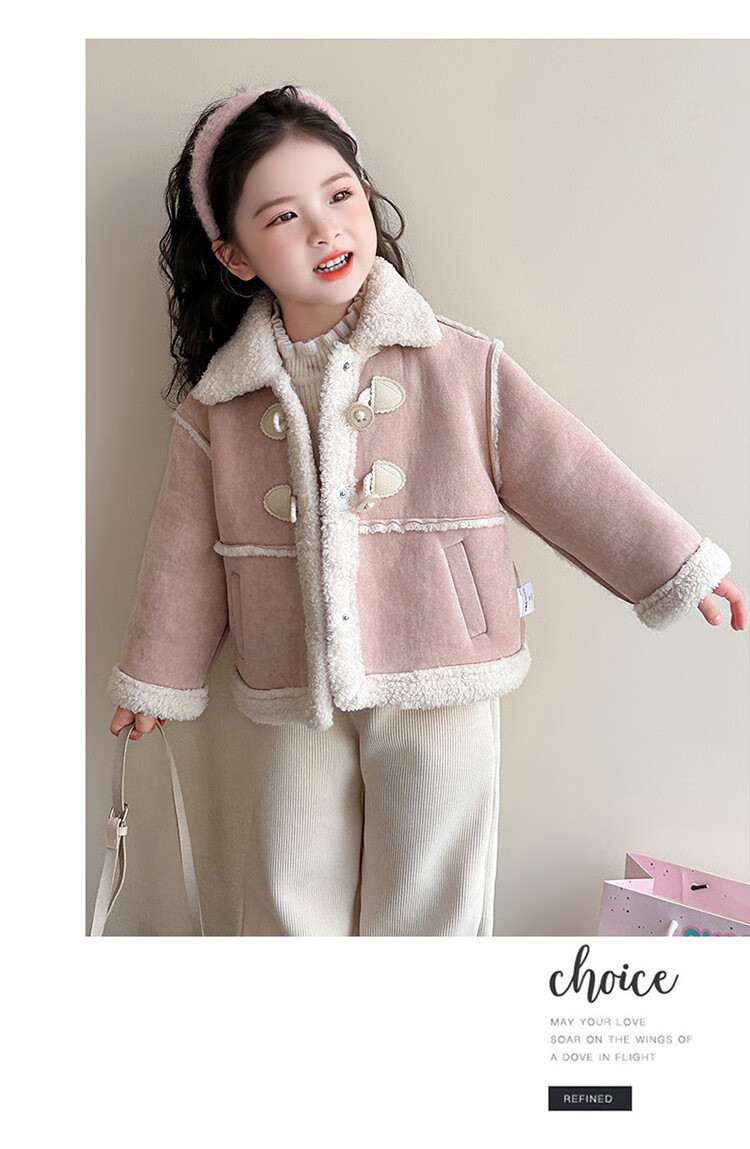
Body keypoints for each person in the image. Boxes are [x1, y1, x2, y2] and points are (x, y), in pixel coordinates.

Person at [108, 83, 746, 937]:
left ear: (367, 198)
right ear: (236, 256)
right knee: (289, 890)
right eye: (284, 216)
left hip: (443, 668)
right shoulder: (220, 404)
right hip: (293, 680)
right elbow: (184, 551)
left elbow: (566, 472)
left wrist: (676, 564)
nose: (326, 229)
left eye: (340, 196)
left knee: (432, 900)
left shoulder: (458, 363)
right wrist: (159, 676)